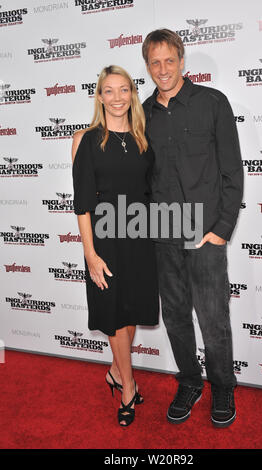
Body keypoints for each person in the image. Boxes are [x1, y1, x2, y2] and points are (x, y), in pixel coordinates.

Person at [142, 29, 243, 427]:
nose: (163, 69)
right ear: (147, 66)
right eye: (155, 62)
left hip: (205, 235)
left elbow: (232, 171)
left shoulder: (212, 103)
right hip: (162, 236)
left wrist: (221, 228)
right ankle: (189, 381)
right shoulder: (142, 112)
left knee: (213, 319)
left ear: (182, 61)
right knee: (176, 317)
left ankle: (221, 386)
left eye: (169, 60)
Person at [71, 65, 159, 427]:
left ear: (132, 94)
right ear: (100, 96)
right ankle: (127, 387)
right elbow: (82, 203)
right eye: (109, 90)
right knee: (115, 318)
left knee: (132, 311)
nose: (118, 97)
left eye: (124, 89)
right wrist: (90, 254)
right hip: (105, 240)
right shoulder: (86, 139)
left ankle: (113, 370)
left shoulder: (143, 138)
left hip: (139, 237)